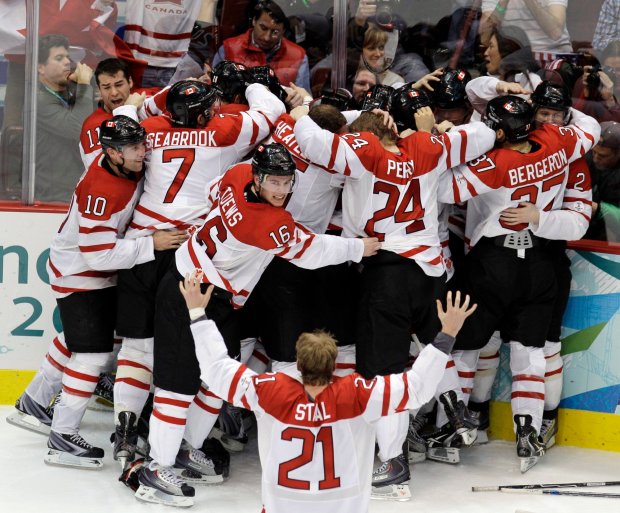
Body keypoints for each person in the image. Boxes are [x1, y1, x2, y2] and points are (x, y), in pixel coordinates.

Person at [133, 143, 380, 507]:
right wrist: (357, 248)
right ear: (258, 177)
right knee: (177, 384)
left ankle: (187, 447)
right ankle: (157, 467)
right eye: (274, 182)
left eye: (286, 181)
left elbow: (212, 190)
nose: (281, 190)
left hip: (215, 289)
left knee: (219, 377)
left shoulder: (235, 176)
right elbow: (311, 253)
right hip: (189, 289)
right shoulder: (268, 222)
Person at [294, 106, 496, 498]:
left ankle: (393, 463)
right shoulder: (425, 146)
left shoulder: (362, 151)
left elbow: (310, 139)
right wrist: (433, 131)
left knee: (385, 377)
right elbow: (485, 136)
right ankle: (455, 406)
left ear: (364, 134)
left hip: (384, 273)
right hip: (430, 272)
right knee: (435, 347)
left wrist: (300, 109)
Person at [175, 270, 477, 513]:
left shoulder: (269, 391)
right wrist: (446, 333)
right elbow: (417, 387)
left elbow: (215, 368)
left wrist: (197, 313)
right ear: (334, 364)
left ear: (298, 362)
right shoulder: (358, 395)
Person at [110, 78, 286, 472]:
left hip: (143, 243)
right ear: (207, 112)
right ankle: (182, 443)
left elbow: (127, 112)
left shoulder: (150, 132)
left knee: (138, 349)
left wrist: (149, 101)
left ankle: (125, 430)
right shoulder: (227, 132)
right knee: (191, 362)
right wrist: (252, 85)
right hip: (189, 259)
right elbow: (272, 111)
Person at [437, 95, 600, 472]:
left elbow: (444, 189)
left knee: (465, 346)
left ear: (496, 131)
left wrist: (457, 138)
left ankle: (452, 430)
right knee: (530, 352)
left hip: (492, 263)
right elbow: (589, 129)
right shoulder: (560, 143)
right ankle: (527, 433)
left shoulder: (495, 163)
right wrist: (540, 215)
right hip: (540, 263)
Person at [8, 116, 179, 469]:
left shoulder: (121, 167)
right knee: (92, 354)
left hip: (90, 269)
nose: (141, 152)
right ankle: (63, 436)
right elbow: (97, 254)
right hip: (81, 273)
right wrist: (152, 244)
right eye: (133, 148)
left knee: (81, 339)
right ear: (113, 153)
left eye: (140, 144)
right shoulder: (102, 188)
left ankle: (35, 402)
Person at [468, 81, 593, 447]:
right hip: (493, 258)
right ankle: (476, 413)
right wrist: (506, 85)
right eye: (544, 113)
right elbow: (477, 96)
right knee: (485, 341)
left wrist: (538, 218)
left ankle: (545, 422)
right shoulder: (502, 138)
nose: (551, 120)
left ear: (567, 117)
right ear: (530, 114)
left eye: (559, 115)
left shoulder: (572, 154)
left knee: (542, 346)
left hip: (545, 257)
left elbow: (579, 219)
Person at [35, 34, 95, 202]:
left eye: (68, 57)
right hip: (56, 196)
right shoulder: (38, 100)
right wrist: (84, 85)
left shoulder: (67, 91)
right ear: (41, 68)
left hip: (77, 189)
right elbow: (79, 129)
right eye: (59, 58)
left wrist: (83, 85)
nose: (68, 62)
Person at [212, 0, 311, 92]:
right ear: (254, 21)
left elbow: (305, 100)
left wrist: (298, 99)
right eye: (263, 28)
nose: (266, 38)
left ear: (284, 31)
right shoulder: (229, 48)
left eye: (275, 32)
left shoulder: (299, 57)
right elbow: (213, 88)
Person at [122, 0, 207, 87]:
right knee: (138, 99)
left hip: (179, 64)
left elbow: (206, 16)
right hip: (140, 61)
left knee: (177, 99)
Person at [479, 0, 572, 60]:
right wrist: (502, 3)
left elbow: (555, 32)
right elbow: (485, 38)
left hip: (552, 58)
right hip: (513, 60)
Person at [585, 121, 620, 242]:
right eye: (594, 152)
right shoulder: (586, 158)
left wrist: (599, 210)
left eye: (603, 156)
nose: (596, 158)